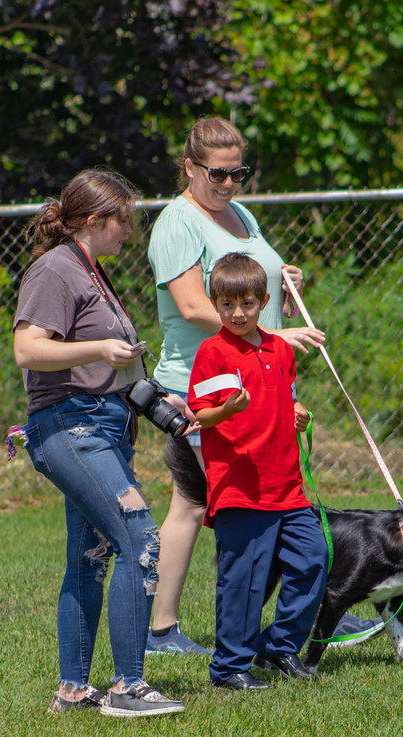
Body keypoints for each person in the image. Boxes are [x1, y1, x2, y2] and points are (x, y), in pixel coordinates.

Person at [147, 116, 382, 655]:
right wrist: (274, 332)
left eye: (239, 173)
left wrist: (282, 278)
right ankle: (168, 631)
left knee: (250, 502)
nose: (229, 184)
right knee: (214, 507)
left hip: (263, 385)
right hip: (205, 389)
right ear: (190, 168)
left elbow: (244, 279)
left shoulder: (238, 214)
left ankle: (297, 616)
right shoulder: (178, 222)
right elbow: (191, 306)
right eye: (218, 174)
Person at [12, 168, 190, 718]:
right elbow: (27, 349)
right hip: (71, 429)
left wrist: (156, 399)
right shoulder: (55, 270)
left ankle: (73, 689)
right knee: (140, 538)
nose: (129, 232)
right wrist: (98, 350)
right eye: (123, 221)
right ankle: (128, 687)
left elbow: (111, 364)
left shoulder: (91, 272)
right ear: (95, 220)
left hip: (103, 426)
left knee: (90, 559)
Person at [188, 253, 328, 689]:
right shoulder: (212, 353)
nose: (237, 314)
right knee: (244, 582)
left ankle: (278, 647)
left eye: (247, 304)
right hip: (240, 487)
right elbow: (199, 415)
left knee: (314, 559)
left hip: (287, 485)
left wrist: (297, 410)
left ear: (265, 301)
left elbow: (284, 395)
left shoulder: (281, 349)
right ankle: (230, 666)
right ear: (215, 305)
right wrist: (225, 410)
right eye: (227, 305)